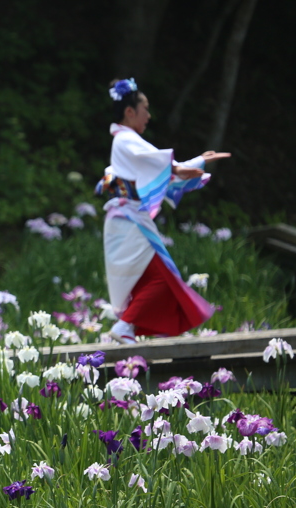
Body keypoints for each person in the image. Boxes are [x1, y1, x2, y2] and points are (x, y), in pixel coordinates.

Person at [97, 78, 229, 343]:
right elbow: (162, 165)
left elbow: (158, 165)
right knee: (163, 277)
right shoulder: (125, 140)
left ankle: (127, 327)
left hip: (129, 220)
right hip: (128, 221)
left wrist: (199, 161)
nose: (148, 115)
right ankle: (125, 326)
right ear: (129, 111)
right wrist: (183, 168)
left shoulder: (127, 141)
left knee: (154, 278)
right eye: (144, 109)